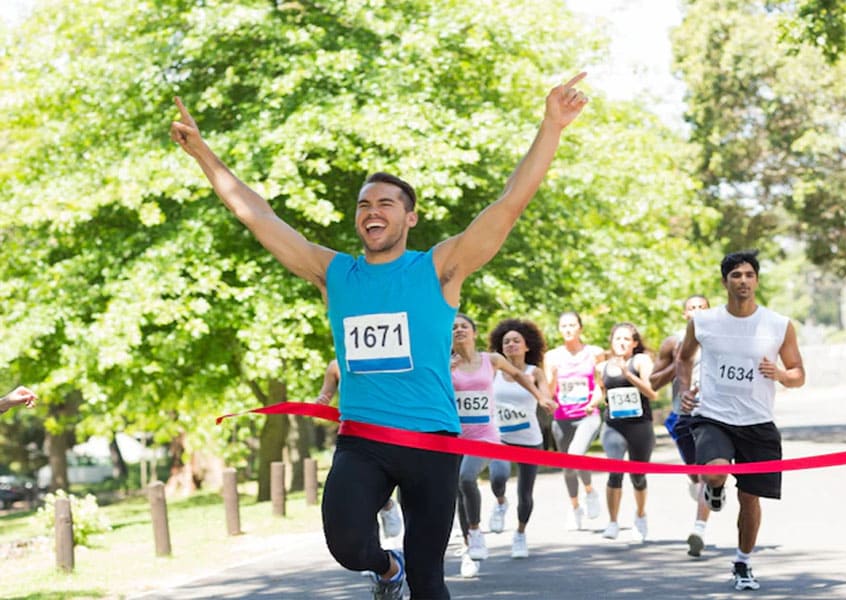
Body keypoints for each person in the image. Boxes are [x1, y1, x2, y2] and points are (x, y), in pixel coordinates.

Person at [170, 72, 588, 600]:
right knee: (346, 543)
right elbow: (258, 215)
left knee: (431, 579)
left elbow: (507, 206)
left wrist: (551, 126)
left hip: (432, 440)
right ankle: (387, 570)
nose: (373, 211)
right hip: (363, 440)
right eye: (365, 205)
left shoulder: (439, 268)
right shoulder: (334, 273)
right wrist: (203, 153)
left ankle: (410, 574)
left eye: (387, 203)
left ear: (409, 217)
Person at [677, 250, 805, 591]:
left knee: (750, 499)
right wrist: (684, 392)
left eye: (749, 275)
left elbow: (798, 375)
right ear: (725, 282)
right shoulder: (703, 322)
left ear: (757, 280)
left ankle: (743, 562)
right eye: (736, 275)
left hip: (757, 423)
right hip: (713, 416)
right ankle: (714, 488)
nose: (743, 281)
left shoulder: (778, 325)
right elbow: (683, 358)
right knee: (715, 471)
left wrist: (779, 373)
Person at [450, 313, 550, 577]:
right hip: (455, 437)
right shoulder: (443, 364)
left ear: (473, 332)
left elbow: (519, 375)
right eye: (454, 327)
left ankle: (478, 530)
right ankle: (470, 546)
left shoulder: (491, 360)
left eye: (464, 326)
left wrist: (540, 396)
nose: (459, 330)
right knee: (460, 491)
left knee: (467, 478)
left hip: (486, 435)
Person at [485, 318, 558, 559]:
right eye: (506, 342)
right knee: (498, 477)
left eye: (517, 341)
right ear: (500, 347)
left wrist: (546, 400)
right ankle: (500, 501)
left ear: (527, 346)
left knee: (525, 494)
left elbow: (544, 393)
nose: (511, 345)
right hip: (500, 437)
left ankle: (520, 533)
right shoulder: (493, 370)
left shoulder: (534, 372)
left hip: (529, 438)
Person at [650, 294, 712, 557]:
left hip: (713, 415)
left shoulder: (721, 337)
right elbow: (653, 383)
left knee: (709, 472)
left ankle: (699, 529)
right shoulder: (673, 342)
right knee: (697, 476)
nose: (697, 311)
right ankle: (704, 489)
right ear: (684, 314)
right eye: (692, 308)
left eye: (702, 307)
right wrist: (678, 364)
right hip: (682, 415)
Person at [316, 360, 403, 539]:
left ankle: (386, 505)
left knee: (375, 487)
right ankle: (372, 551)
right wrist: (321, 401)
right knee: (358, 495)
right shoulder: (335, 367)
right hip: (354, 438)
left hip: (387, 432)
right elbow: (325, 394)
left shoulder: (384, 360)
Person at [590, 323, 657, 542]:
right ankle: (612, 522)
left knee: (638, 476)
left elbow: (651, 393)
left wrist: (628, 374)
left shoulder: (641, 361)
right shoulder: (602, 367)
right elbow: (600, 392)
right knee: (615, 470)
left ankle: (640, 515)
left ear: (634, 343)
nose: (621, 342)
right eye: (617, 338)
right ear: (611, 342)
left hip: (640, 426)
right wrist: (591, 404)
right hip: (613, 426)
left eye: (627, 339)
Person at [543, 310, 605, 530]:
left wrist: (594, 402)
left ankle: (590, 491)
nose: (568, 330)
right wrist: (553, 376)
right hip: (562, 418)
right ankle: (575, 507)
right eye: (564, 326)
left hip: (587, 415)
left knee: (576, 455)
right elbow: (549, 391)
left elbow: (601, 385)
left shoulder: (595, 353)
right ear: (559, 330)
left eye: (572, 325)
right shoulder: (552, 356)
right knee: (568, 466)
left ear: (580, 328)